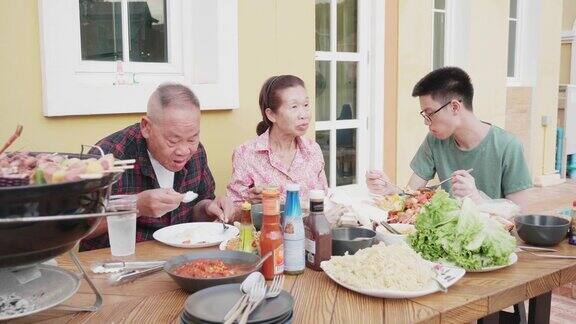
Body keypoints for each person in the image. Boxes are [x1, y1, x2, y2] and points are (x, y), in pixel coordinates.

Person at [81, 83, 235, 251]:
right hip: (115, 262)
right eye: (173, 141)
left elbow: (197, 207)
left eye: (192, 138)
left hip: (179, 259)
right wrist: (135, 206)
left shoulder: (196, 153)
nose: (184, 150)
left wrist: (208, 208)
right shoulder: (109, 156)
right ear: (147, 127)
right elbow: (77, 227)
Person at [366, 67, 533, 209]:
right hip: (449, 240)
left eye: (430, 113)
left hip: (491, 240)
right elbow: (411, 194)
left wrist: (477, 200)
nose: (426, 122)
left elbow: (518, 212)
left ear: (454, 106)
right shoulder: (435, 141)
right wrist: (390, 190)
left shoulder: (508, 146)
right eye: (424, 115)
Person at [226, 75, 329, 205]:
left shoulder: (313, 150)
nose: (304, 115)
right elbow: (232, 209)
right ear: (271, 114)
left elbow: (323, 201)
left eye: (306, 105)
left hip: (309, 226)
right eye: (294, 107)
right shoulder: (246, 154)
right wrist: (251, 202)